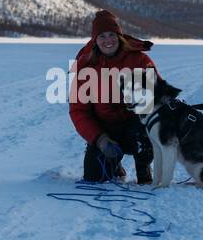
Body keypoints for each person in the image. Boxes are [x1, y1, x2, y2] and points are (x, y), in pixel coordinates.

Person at [68, 10, 160, 183]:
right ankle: (114, 163)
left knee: (147, 129)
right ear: (95, 40)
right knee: (94, 177)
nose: (108, 40)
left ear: (120, 36)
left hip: (135, 125)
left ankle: (143, 166)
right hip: (105, 129)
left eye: (112, 35)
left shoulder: (138, 60)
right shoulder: (85, 66)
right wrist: (99, 139)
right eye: (102, 36)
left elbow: (153, 102)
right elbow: (79, 111)